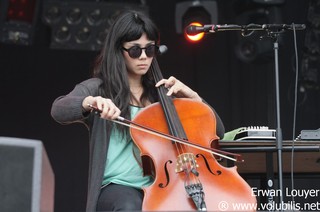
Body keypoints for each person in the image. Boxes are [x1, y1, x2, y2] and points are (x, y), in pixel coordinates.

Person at [51, 10, 225, 212]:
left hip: (160, 186)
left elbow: (217, 132)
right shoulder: (99, 89)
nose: (143, 57)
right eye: (135, 51)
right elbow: (59, 109)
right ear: (119, 51)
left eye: (149, 50)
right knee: (130, 206)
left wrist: (194, 98)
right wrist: (90, 102)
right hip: (117, 188)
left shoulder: (163, 95)